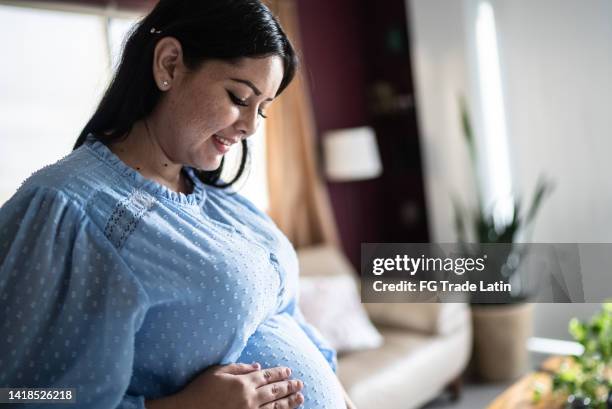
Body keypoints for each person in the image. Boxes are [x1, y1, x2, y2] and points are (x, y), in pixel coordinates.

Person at [0, 1, 358, 408]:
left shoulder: (220, 200)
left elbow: (289, 316)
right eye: (239, 97)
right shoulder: (68, 208)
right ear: (169, 65)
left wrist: (337, 392)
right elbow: (20, 397)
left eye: (263, 109)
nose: (251, 126)